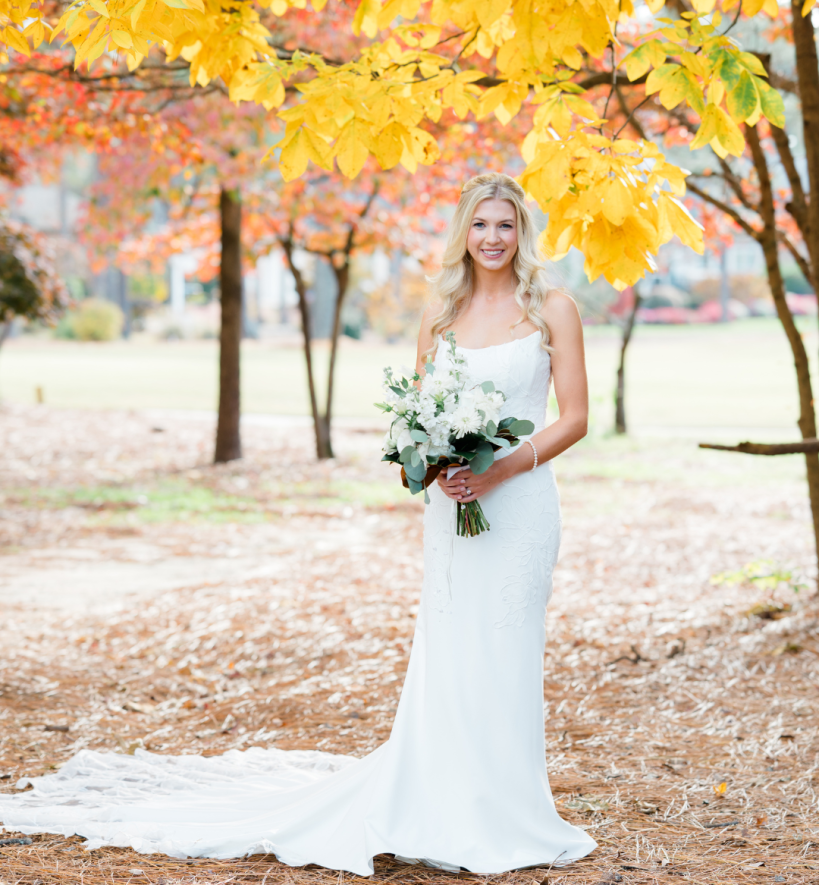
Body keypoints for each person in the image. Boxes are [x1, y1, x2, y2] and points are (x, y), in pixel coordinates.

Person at [0, 172, 595, 874]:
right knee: (453, 647)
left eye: (505, 225)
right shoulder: (440, 315)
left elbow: (575, 417)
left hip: (518, 506)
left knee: (507, 646)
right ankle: (444, 799)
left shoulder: (552, 307)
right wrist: (437, 469)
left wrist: (500, 469)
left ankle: (507, 810)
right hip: (453, 506)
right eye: (480, 225)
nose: (492, 238)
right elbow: (418, 417)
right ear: (462, 233)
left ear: (522, 233)